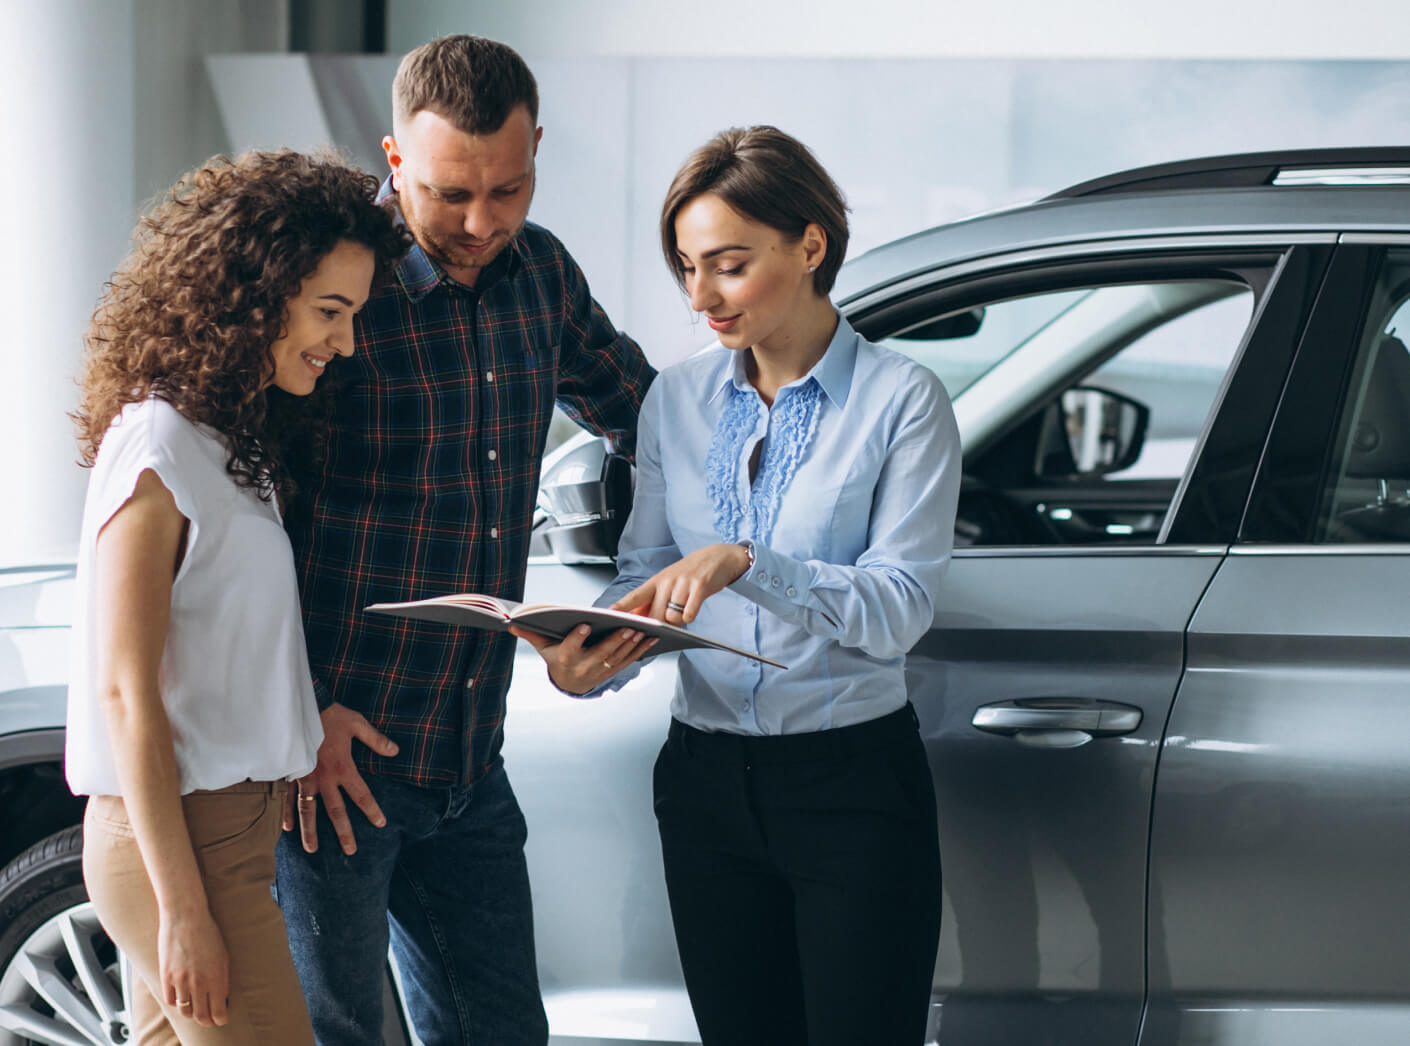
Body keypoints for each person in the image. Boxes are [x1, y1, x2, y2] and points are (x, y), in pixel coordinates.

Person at [514, 125, 961, 1045]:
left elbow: (900, 609)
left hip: (852, 787)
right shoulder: (673, 400)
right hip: (704, 782)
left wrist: (749, 562)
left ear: (809, 245)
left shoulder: (902, 400)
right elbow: (645, 572)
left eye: (726, 265)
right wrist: (595, 656)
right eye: (685, 268)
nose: (699, 297)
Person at [275, 35, 655, 1045]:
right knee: (332, 1034)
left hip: (469, 757)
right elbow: (236, 517)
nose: (484, 222)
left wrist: (660, 582)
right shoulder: (332, 288)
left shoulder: (543, 275)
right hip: (331, 766)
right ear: (393, 160)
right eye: (451, 194)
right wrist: (298, 709)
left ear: (537, 153)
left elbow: (651, 422)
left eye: (511, 187)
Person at [65, 149, 405, 1045]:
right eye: (329, 312)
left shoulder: (228, 441)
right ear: (254, 291)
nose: (345, 343)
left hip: (229, 839)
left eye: (355, 316)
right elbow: (124, 691)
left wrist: (300, 711)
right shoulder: (156, 445)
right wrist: (183, 910)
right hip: (181, 848)